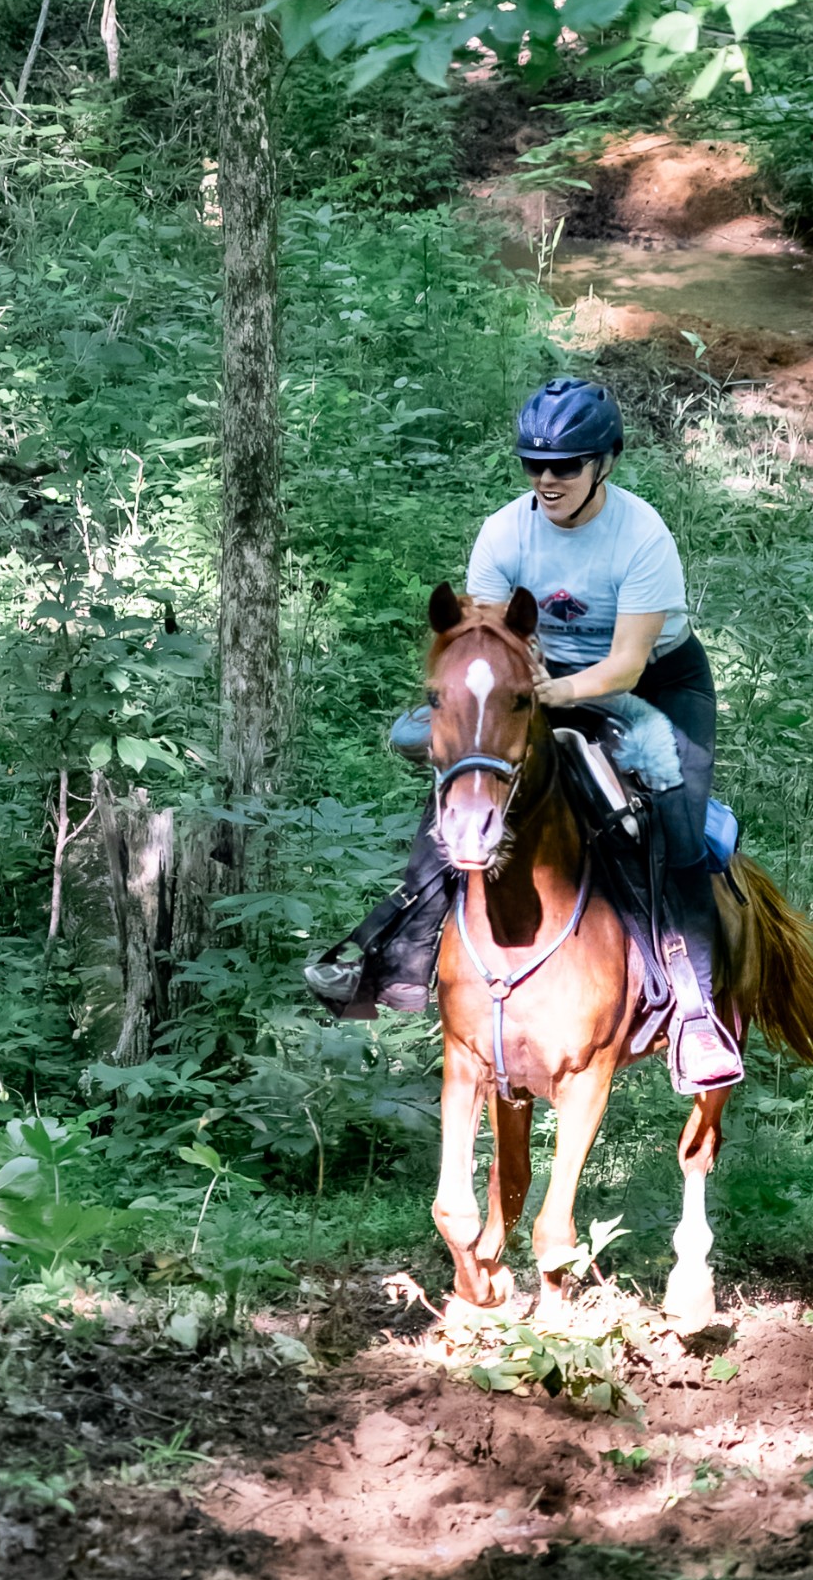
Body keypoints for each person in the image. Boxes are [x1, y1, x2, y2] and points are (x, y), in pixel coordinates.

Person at [306, 377, 744, 1094]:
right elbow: (483, 633)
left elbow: (627, 664)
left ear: (604, 463)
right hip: (532, 684)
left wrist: (552, 693)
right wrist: (509, 693)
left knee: (677, 827)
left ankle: (695, 1013)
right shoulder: (504, 531)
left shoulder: (641, 536)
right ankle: (398, 959)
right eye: (533, 465)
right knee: (462, 783)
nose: (547, 479)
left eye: (566, 465)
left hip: (652, 686)